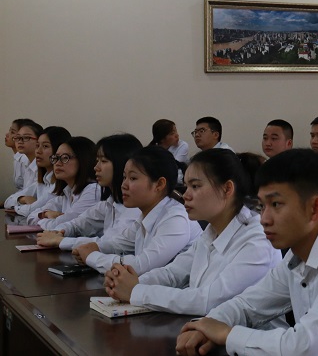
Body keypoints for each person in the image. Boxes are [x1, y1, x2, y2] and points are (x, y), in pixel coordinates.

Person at [175, 149, 318, 356]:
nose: (264, 219)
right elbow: (248, 304)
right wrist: (207, 325)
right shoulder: (298, 253)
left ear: (315, 208)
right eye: (261, 206)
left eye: (276, 204)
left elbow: (304, 348)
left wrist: (226, 334)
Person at [104, 149, 281, 315]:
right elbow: (173, 273)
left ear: (227, 189)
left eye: (195, 186)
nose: (186, 195)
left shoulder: (257, 240)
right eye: (187, 186)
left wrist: (136, 291)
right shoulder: (211, 232)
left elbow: (208, 301)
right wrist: (127, 282)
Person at [73, 145, 202, 274]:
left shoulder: (176, 218)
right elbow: (117, 243)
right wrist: (95, 247)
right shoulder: (146, 215)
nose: (123, 185)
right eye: (124, 177)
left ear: (159, 184)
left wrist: (91, 256)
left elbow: (140, 266)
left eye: (133, 178)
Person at [36, 134, 142, 250]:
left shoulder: (134, 208)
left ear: (122, 164)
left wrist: (60, 240)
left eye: (103, 161)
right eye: (97, 161)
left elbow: (111, 243)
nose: (96, 167)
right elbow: (77, 224)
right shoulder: (109, 203)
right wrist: (57, 233)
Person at [28, 136, 103, 230]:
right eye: (56, 158)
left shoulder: (93, 191)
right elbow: (31, 217)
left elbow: (59, 227)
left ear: (83, 160)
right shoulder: (67, 192)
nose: (57, 163)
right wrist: (45, 214)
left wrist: (44, 220)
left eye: (65, 158)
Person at [6, 126, 71, 218]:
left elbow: (31, 211)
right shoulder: (44, 180)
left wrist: (17, 208)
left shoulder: (59, 185)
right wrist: (22, 199)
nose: (38, 151)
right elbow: (8, 201)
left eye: (45, 146)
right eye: (37, 146)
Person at [11, 119, 43, 191]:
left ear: (38, 141)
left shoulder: (41, 167)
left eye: (26, 137)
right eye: (18, 137)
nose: (20, 141)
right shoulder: (28, 164)